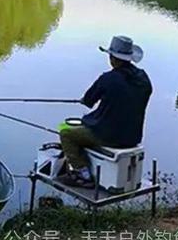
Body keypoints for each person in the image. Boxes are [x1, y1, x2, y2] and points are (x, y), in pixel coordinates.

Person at [59, 36, 153, 188]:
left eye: (110, 56)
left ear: (113, 58)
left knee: (67, 134)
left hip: (108, 136)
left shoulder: (108, 79)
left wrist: (84, 100)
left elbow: (89, 101)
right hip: (132, 137)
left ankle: (82, 175)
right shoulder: (144, 79)